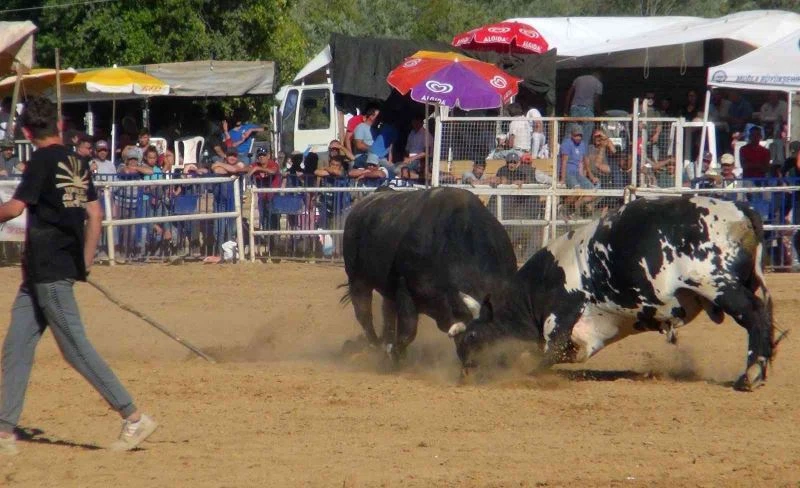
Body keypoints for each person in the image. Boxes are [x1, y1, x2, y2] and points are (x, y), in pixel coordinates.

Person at [0, 97, 157, 455]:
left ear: (26, 131)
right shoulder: (78, 160)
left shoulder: (39, 162)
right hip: (41, 274)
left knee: (76, 349)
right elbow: (95, 215)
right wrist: (85, 261)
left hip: (49, 271)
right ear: (58, 124)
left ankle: (133, 417)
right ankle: (5, 431)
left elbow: (13, 208)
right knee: (16, 346)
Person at [564, 71, 602, 137]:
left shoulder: (578, 79)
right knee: (586, 134)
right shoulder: (598, 83)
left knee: (570, 132)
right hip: (587, 110)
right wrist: (599, 113)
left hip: (574, 108)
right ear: (599, 76)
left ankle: (566, 146)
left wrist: (566, 110)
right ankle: (583, 146)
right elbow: (596, 100)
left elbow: (569, 94)